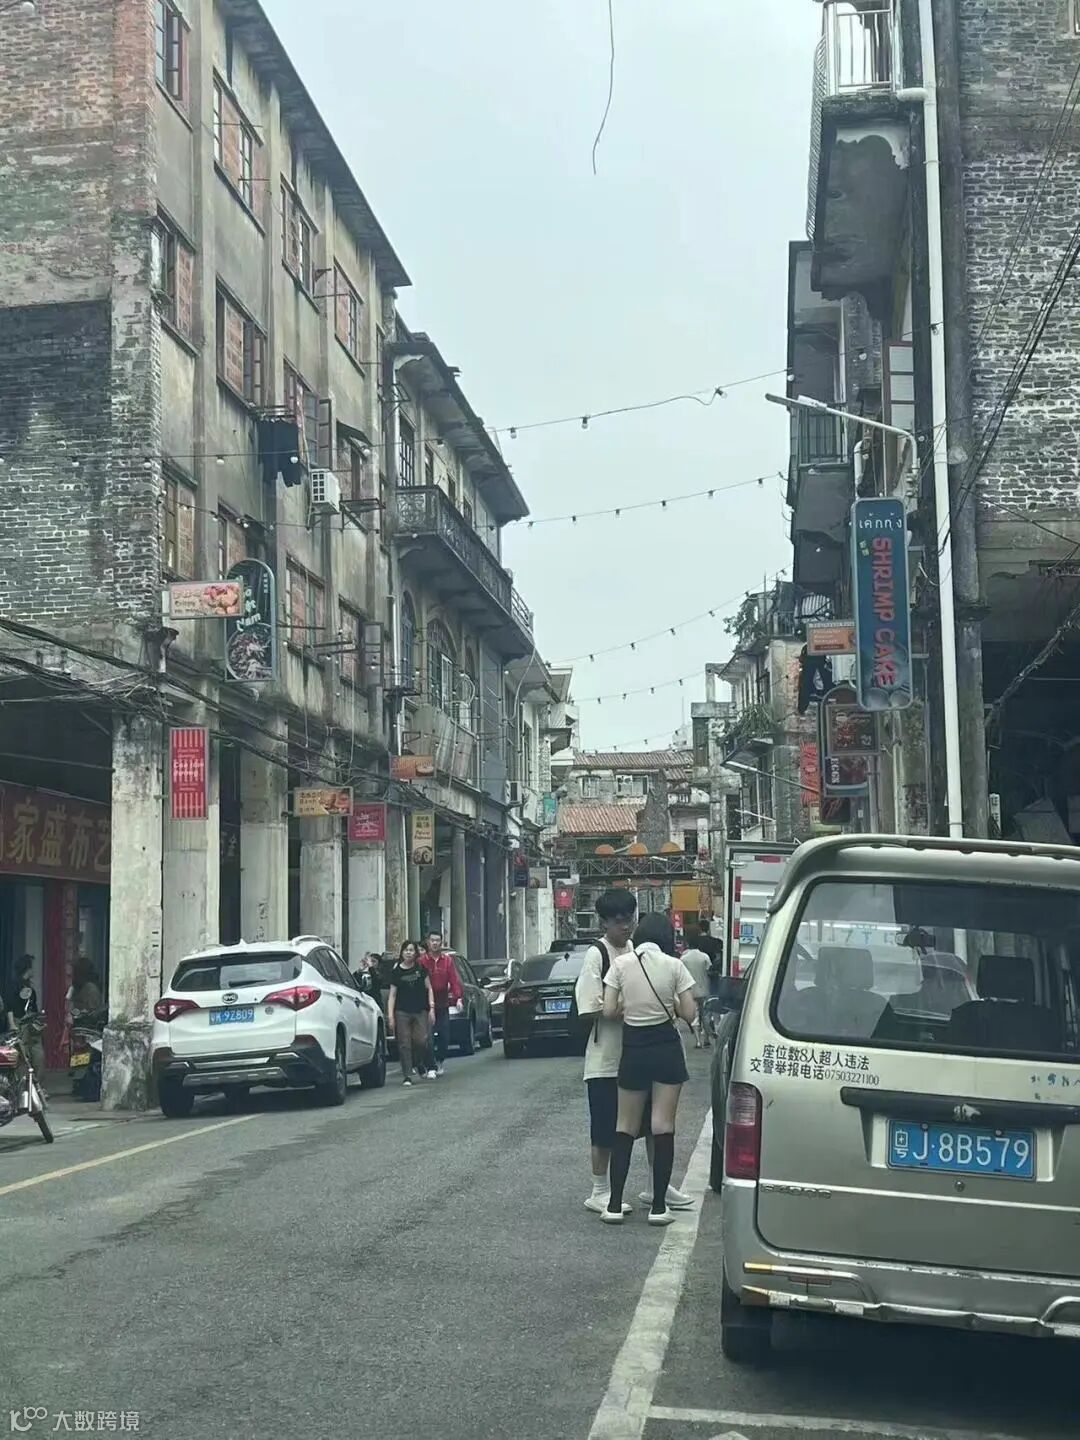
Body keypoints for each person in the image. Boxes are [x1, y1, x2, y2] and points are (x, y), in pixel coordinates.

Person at [574, 893, 695, 1216]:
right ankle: (600, 1190)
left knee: (654, 1125)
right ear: (603, 923)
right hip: (608, 1058)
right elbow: (589, 1006)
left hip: (639, 1054)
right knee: (607, 1128)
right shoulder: (597, 954)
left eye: (630, 919)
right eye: (619, 921)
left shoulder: (635, 950)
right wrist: (632, 1007)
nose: (626, 926)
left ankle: (657, 1186)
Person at [387, 941, 437, 1086]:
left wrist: (432, 1008)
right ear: (402, 952)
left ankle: (418, 1062)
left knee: (421, 1040)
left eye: (411, 950)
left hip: (420, 1010)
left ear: (416, 953)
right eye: (406, 950)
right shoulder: (396, 972)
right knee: (404, 1044)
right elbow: (392, 995)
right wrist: (390, 1016)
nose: (408, 953)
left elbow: (429, 988)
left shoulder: (420, 969)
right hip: (402, 1011)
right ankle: (407, 1075)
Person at [421, 932, 463, 1075]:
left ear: (441, 943)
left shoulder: (447, 961)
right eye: (432, 940)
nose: (435, 943)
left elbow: (454, 980)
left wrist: (458, 998)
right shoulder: (422, 961)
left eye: (437, 940)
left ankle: (440, 1061)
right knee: (428, 1037)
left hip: (443, 1003)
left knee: (445, 1035)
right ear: (428, 942)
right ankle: (430, 1064)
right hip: (426, 1004)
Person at [679, 936, 713, 1049]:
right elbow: (709, 970)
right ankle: (706, 1039)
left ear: (688, 944)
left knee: (695, 1016)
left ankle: (698, 1041)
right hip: (704, 989)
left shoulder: (684, 958)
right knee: (706, 1015)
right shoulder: (704, 956)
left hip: (691, 990)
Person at [6, 956, 38, 1031]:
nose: (33, 970)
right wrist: (12, 1025)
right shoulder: (15, 986)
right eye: (32, 968)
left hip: (29, 1024)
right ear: (27, 969)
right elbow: (9, 1006)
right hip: (19, 1024)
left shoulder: (28, 986)